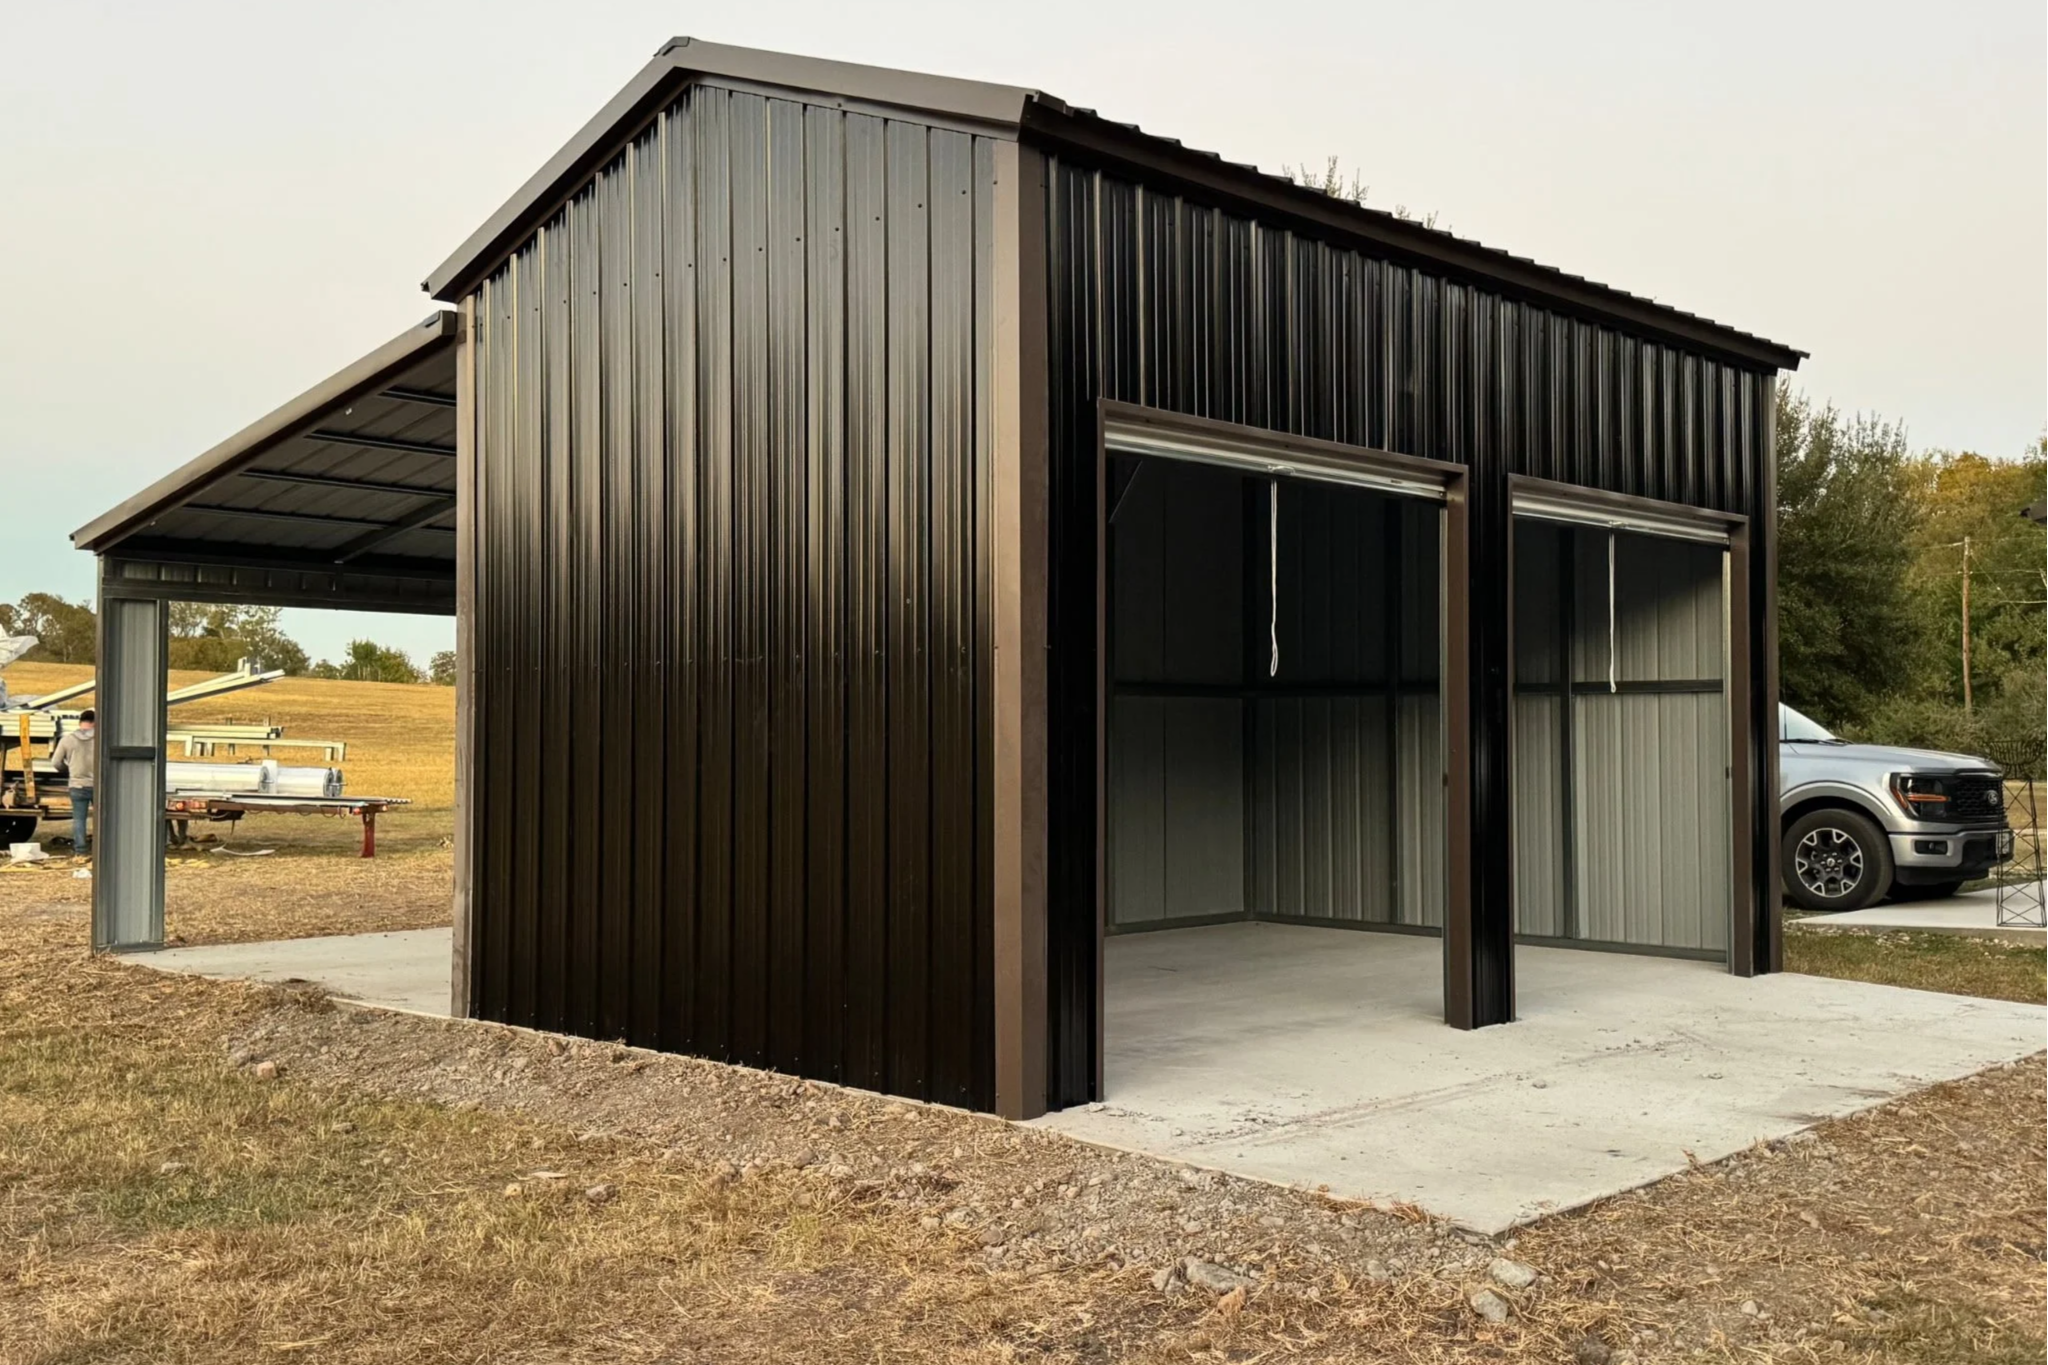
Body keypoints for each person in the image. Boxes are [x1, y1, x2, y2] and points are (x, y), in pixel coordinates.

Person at [50, 709, 96, 855]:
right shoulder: (101, 739)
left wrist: (68, 770)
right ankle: (102, 849)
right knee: (101, 819)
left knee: (79, 819)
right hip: (99, 785)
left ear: (80, 722)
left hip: (77, 785)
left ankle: (80, 850)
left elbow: (55, 762)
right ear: (95, 722)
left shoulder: (67, 740)